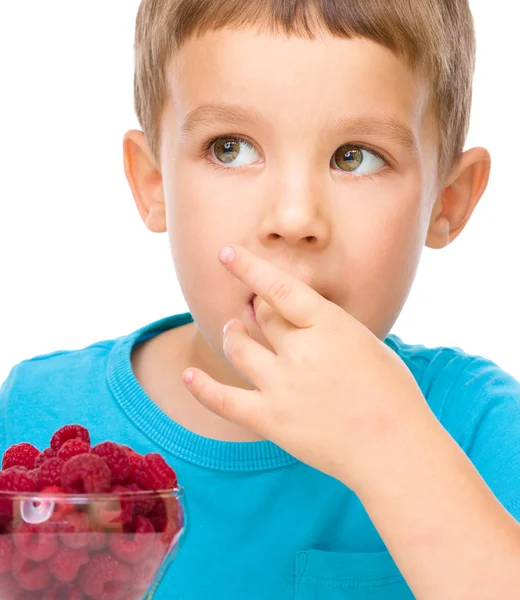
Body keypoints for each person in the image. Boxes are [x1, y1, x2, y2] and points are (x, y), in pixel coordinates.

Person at [2, 0, 520, 598]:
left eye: (355, 157)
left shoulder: (479, 428)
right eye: (231, 148)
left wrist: (391, 448)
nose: (294, 218)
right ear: (152, 184)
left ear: (447, 201)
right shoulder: (31, 419)